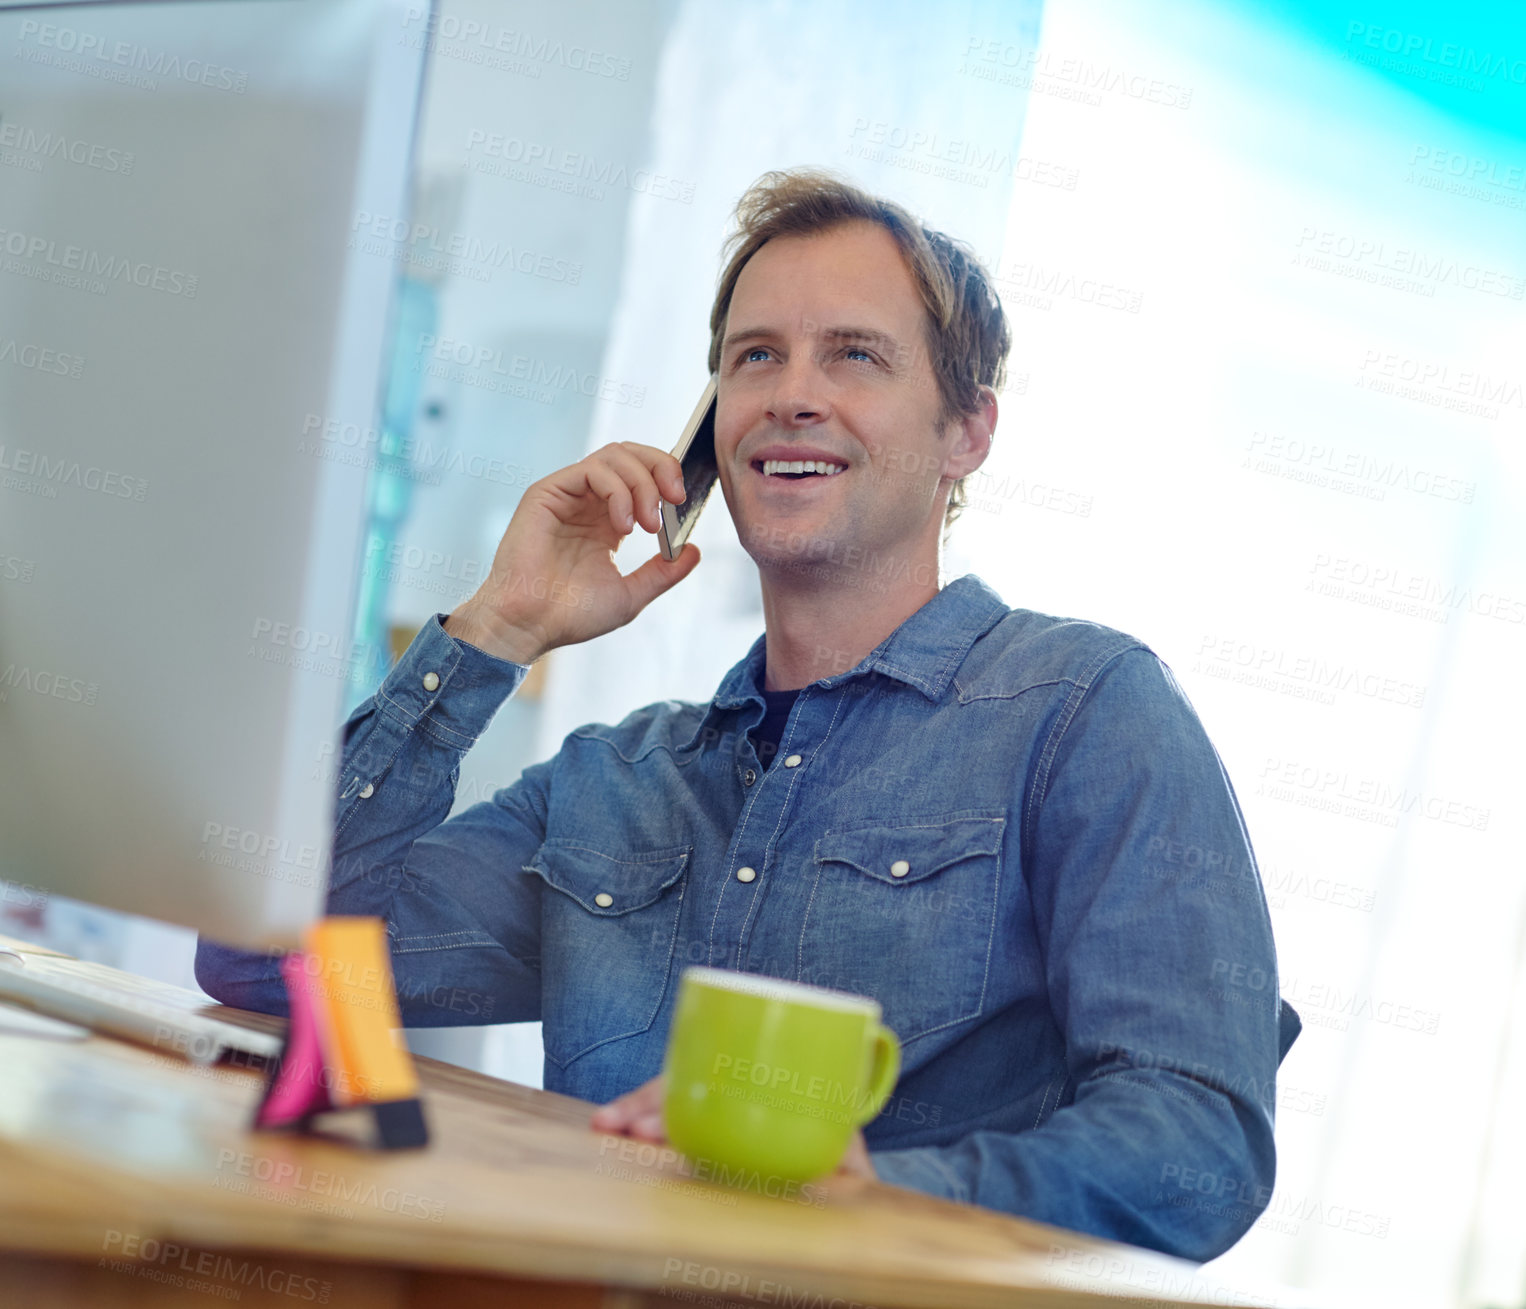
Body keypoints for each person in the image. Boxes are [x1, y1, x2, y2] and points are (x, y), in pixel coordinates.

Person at [196, 167, 1298, 1261]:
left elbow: (1200, 1146)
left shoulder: (1088, 713)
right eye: (753, 356)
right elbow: (267, 959)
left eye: (853, 355)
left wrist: (883, 1194)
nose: (790, 394)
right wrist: (497, 626)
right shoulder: (616, 781)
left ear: (967, 431)